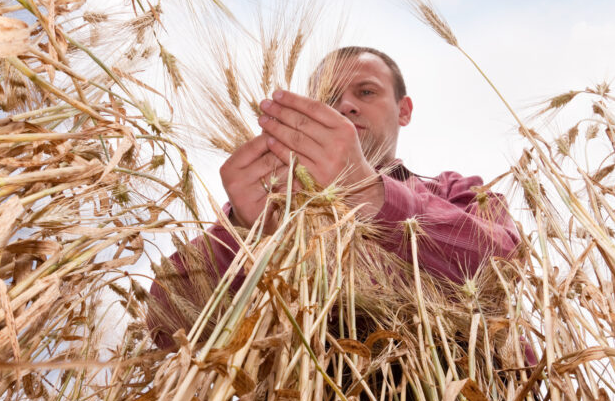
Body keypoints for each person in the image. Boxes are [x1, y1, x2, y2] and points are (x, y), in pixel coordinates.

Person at [147, 46, 521, 351]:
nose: (346, 105)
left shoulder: (453, 192)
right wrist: (249, 235)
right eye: (330, 97)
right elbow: (166, 324)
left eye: (366, 92)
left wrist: (369, 194)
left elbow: (505, 268)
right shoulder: (279, 205)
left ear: (404, 111)